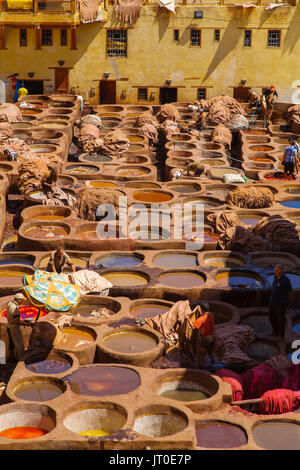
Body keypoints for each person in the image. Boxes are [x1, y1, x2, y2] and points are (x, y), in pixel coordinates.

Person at [6, 293, 33, 362]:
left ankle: (11, 357)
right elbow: (16, 321)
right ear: (18, 300)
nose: (22, 302)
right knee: (19, 344)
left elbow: (14, 318)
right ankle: (21, 359)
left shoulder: (10, 303)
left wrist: (22, 320)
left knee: (11, 344)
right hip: (14, 328)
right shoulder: (14, 308)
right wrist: (27, 324)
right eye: (21, 300)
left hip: (9, 325)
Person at [269, 264, 292, 338]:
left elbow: (290, 292)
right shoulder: (275, 277)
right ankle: (275, 332)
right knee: (271, 318)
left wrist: (288, 304)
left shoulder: (286, 280)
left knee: (280, 319)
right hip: (273, 302)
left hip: (281, 303)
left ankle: (280, 335)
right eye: (274, 270)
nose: (274, 272)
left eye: (276, 270)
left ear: (281, 270)